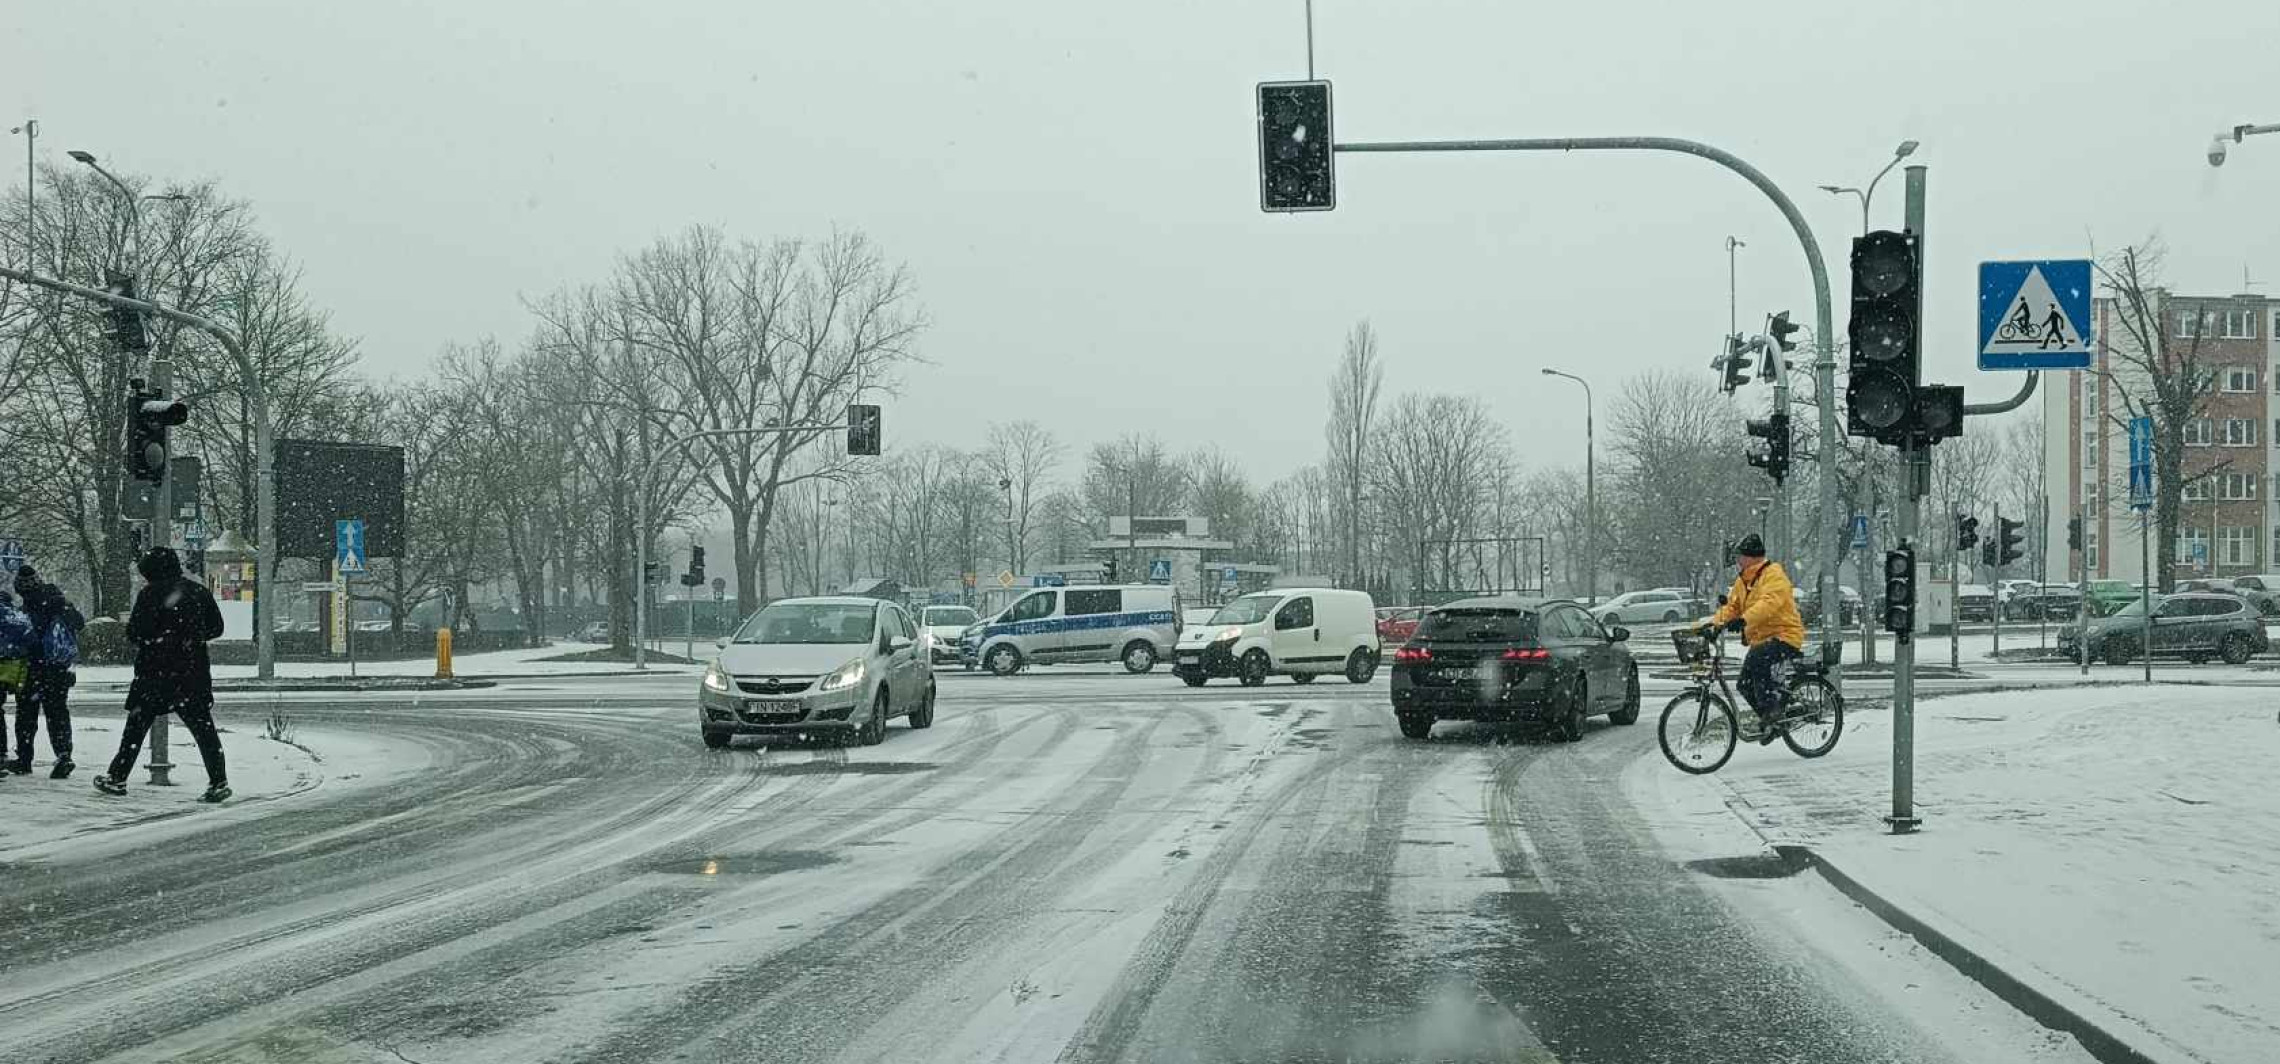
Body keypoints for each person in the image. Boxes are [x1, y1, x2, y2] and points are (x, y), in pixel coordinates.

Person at [94, 548, 230, 802]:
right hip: (192, 670)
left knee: (136, 726)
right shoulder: (198, 591)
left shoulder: (150, 594)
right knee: (203, 728)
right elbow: (216, 627)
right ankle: (218, 780)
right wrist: (191, 639)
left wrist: (158, 640)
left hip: (155, 671)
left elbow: (136, 632)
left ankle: (117, 777)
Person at [1698, 533, 1807, 744]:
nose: (1737, 561)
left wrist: (1744, 620)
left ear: (1751, 557)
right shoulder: (1743, 581)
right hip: (1763, 640)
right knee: (1744, 685)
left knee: (1757, 660)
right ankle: (1772, 721)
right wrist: (1713, 625)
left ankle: (1772, 713)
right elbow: (1732, 607)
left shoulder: (1774, 575)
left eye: (1740, 556)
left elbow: (1769, 603)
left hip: (1786, 635)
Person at [9, 565, 83, 777]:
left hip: (33, 667)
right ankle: (64, 755)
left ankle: (24, 759)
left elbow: (25, 640)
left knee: (26, 715)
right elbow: (79, 623)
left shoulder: (28, 608)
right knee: (57, 713)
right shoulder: (58, 601)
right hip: (59, 668)